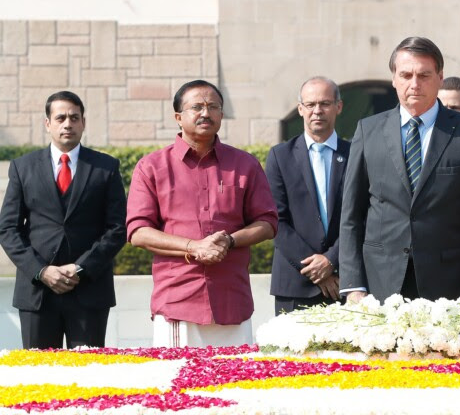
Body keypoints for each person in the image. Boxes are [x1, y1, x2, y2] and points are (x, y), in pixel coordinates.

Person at [339, 36, 460, 304]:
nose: (414, 84)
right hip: (379, 282)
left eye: (424, 75)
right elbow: (351, 215)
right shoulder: (368, 131)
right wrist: (353, 284)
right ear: (394, 78)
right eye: (406, 75)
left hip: (449, 284)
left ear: (440, 77)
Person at [126, 80, 277, 347]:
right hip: (177, 302)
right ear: (178, 117)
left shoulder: (245, 164)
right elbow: (138, 232)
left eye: (213, 107)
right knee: (178, 385)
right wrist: (194, 247)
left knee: (239, 385)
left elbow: (266, 222)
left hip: (232, 301)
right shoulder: (152, 166)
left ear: (221, 114)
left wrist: (229, 241)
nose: (205, 113)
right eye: (196, 107)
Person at [0, 91, 127, 349]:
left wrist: (80, 269)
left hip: (89, 290)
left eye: (74, 117)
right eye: (60, 118)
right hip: (37, 293)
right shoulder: (23, 167)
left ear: (83, 123)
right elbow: (8, 229)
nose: (67, 124)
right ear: (48, 123)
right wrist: (42, 271)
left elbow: (117, 228)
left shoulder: (106, 167)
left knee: (88, 376)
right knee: (39, 376)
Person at [266, 77, 350, 315]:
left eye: (324, 103)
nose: (317, 111)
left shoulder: (356, 154)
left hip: (343, 284)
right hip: (294, 285)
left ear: (338, 107)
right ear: (300, 109)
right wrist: (316, 269)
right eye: (310, 104)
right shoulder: (280, 156)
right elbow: (275, 221)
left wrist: (331, 260)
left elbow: (363, 216)